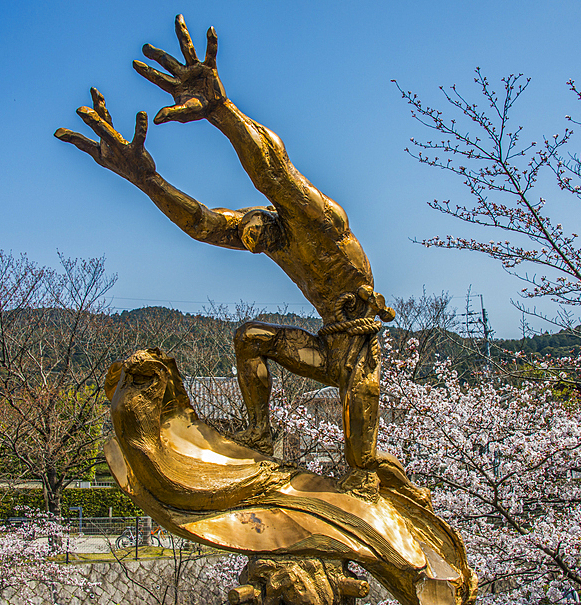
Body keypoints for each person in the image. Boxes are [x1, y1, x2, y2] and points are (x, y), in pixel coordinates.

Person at [56, 15, 425, 505]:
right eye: (249, 238)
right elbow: (203, 224)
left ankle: (376, 480)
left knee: (362, 465)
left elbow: (273, 167)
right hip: (327, 345)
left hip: (359, 346)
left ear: (273, 216)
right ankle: (259, 433)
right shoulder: (266, 235)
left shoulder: (316, 219)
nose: (254, 243)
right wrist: (145, 178)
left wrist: (221, 111)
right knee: (249, 338)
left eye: (257, 234)